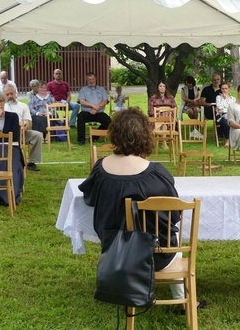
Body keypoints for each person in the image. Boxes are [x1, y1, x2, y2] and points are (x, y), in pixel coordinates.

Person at [79, 107, 206, 312]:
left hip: (115, 250)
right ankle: (183, 302)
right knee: (171, 240)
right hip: (158, 254)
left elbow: (89, 198)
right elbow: (173, 215)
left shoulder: (101, 169)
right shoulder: (156, 173)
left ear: (115, 134)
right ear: (145, 136)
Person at [3, 84, 43, 171]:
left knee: (37, 135)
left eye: (11, 93)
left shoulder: (23, 106)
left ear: (15, 93)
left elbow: (27, 122)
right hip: (5, 135)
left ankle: (32, 163)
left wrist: (24, 126)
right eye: (7, 94)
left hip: (21, 133)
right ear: (3, 95)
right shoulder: (1, 106)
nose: (10, 96)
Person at [76, 72, 111, 145]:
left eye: (92, 79)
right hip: (87, 113)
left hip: (99, 112)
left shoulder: (102, 89)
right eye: (89, 79)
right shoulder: (83, 89)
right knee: (80, 117)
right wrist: (92, 105)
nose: (91, 81)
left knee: (108, 121)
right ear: (86, 80)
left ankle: (94, 137)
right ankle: (81, 140)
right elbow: (82, 101)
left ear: (96, 79)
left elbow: (105, 101)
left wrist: (96, 109)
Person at [148, 82, 177, 149]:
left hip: (169, 119)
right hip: (157, 118)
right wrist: (158, 113)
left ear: (166, 88)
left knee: (165, 115)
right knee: (163, 122)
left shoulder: (170, 98)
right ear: (158, 88)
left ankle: (154, 131)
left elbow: (174, 109)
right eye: (160, 86)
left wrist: (165, 111)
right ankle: (164, 144)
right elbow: (150, 111)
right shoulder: (153, 98)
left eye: (164, 86)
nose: (162, 88)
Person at [215, 81, 236, 148]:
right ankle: (228, 140)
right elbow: (219, 109)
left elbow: (233, 109)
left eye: (226, 88)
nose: (224, 90)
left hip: (231, 116)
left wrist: (225, 109)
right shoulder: (218, 97)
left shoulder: (233, 99)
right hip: (221, 117)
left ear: (229, 88)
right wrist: (225, 98)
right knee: (226, 123)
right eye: (223, 88)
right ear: (220, 89)